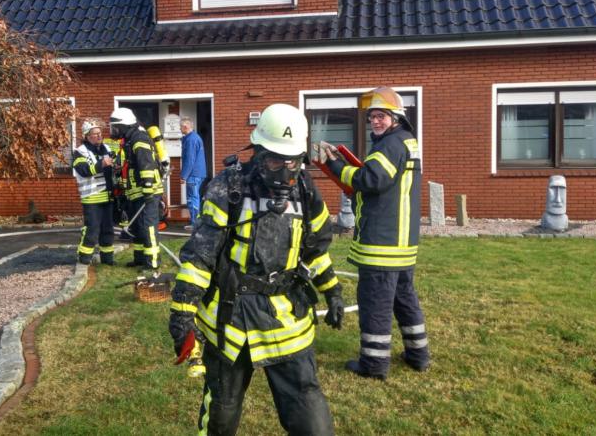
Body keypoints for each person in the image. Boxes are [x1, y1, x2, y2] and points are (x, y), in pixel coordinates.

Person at [168, 103, 345, 435]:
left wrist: (332, 290)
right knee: (221, 416)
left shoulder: (306, 190)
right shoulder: (228, 187)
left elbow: (314, 250)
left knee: (313, 422)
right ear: (258, 152)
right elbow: (200, 257)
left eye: (291, 162)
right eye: (275, 160)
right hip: (231, 322)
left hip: (287, 322)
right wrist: (182, 314)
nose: (284, 171)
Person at [319, 86, 430, 378]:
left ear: (396, 117)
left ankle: (374, 363)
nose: (375, 121)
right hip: (402, 242)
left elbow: (371, 180)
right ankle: (418, 355)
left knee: (375, 304)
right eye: (372, 117)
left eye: (381, 116)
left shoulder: (390, 144)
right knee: (404, 300)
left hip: (382, 243)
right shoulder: (405, 141)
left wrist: (336, 166)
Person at [109, 107, 163, 269]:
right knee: (137, 227)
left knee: (148, 227)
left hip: (147, 192)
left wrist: (147, 186)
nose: (114, 130)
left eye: (116, 126)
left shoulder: (139, 138)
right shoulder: (130, 139)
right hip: (136, 192)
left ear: (124, 125)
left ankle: (153, 262)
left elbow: (146, 163)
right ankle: (140, 258)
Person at [71, 119, 116, 265]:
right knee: (92, 230)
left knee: (108, 230)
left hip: (107, 197)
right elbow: (83, 171)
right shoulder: (80, 152)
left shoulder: (107, 148)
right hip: (91, 198)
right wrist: (101, 164)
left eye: (100, 133)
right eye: (95, 134)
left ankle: (108, 259)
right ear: (87, 136)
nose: (99, 136)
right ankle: (84, 258)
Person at [179, 116, 207, 229]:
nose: (180, 129)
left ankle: (195, 223)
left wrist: (183, 176)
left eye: (180, 127)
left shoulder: (190, 140)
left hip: (193, 174)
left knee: (192, 198)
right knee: (195, 197)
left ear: (185, 126)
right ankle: (196, 221)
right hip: (198, 173)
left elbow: (189, 160)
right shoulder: (195, 137)